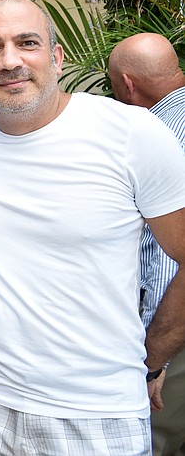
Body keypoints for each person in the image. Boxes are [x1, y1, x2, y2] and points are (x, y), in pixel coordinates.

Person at [0, 0, 185, 455]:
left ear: (56, 56)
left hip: (100, 416)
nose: (10, 60)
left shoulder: (132, 134)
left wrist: (152, 357)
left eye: (26, 42)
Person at [109, 32, 185, 456]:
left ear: (128, 85)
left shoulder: (158, 137)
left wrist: (154, 360)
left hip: (174, 339)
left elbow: (167, 260)